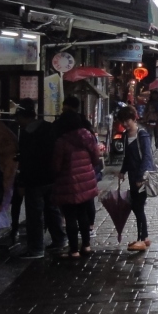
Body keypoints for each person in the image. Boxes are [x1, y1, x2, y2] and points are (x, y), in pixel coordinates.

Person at [52, 101, 102, 259]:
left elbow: (56, 165)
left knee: (70, 217)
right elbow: (96, 157)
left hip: (67, 183)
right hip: (86, 181)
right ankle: (86, 245)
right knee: (83, 214)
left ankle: (74, 250)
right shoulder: (87, 137)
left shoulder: (61, 141)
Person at [15, 99, 63, 257]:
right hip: (51, 176)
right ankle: (59, 239)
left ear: (23, 117)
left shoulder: (27, 134)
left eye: (18, 118)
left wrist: (22, 182)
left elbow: (26, 160)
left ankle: (36, 248)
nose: (17, 122)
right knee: (52, 209)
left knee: (35, 215)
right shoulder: (49, 128)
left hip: (34, 179)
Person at [116, 106, 154, 253]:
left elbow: (147, 157)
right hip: (132, 177)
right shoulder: (126, 135)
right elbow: (127, 156)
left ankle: (142, 238)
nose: (125, 124)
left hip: (141, 178)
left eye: (127, 120)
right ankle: (144, 238)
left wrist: (140, 177)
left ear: (134, 119)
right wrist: (122, 171)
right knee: (137, 207)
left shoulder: (142, 135)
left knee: (138, 207)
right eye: (123, 121)